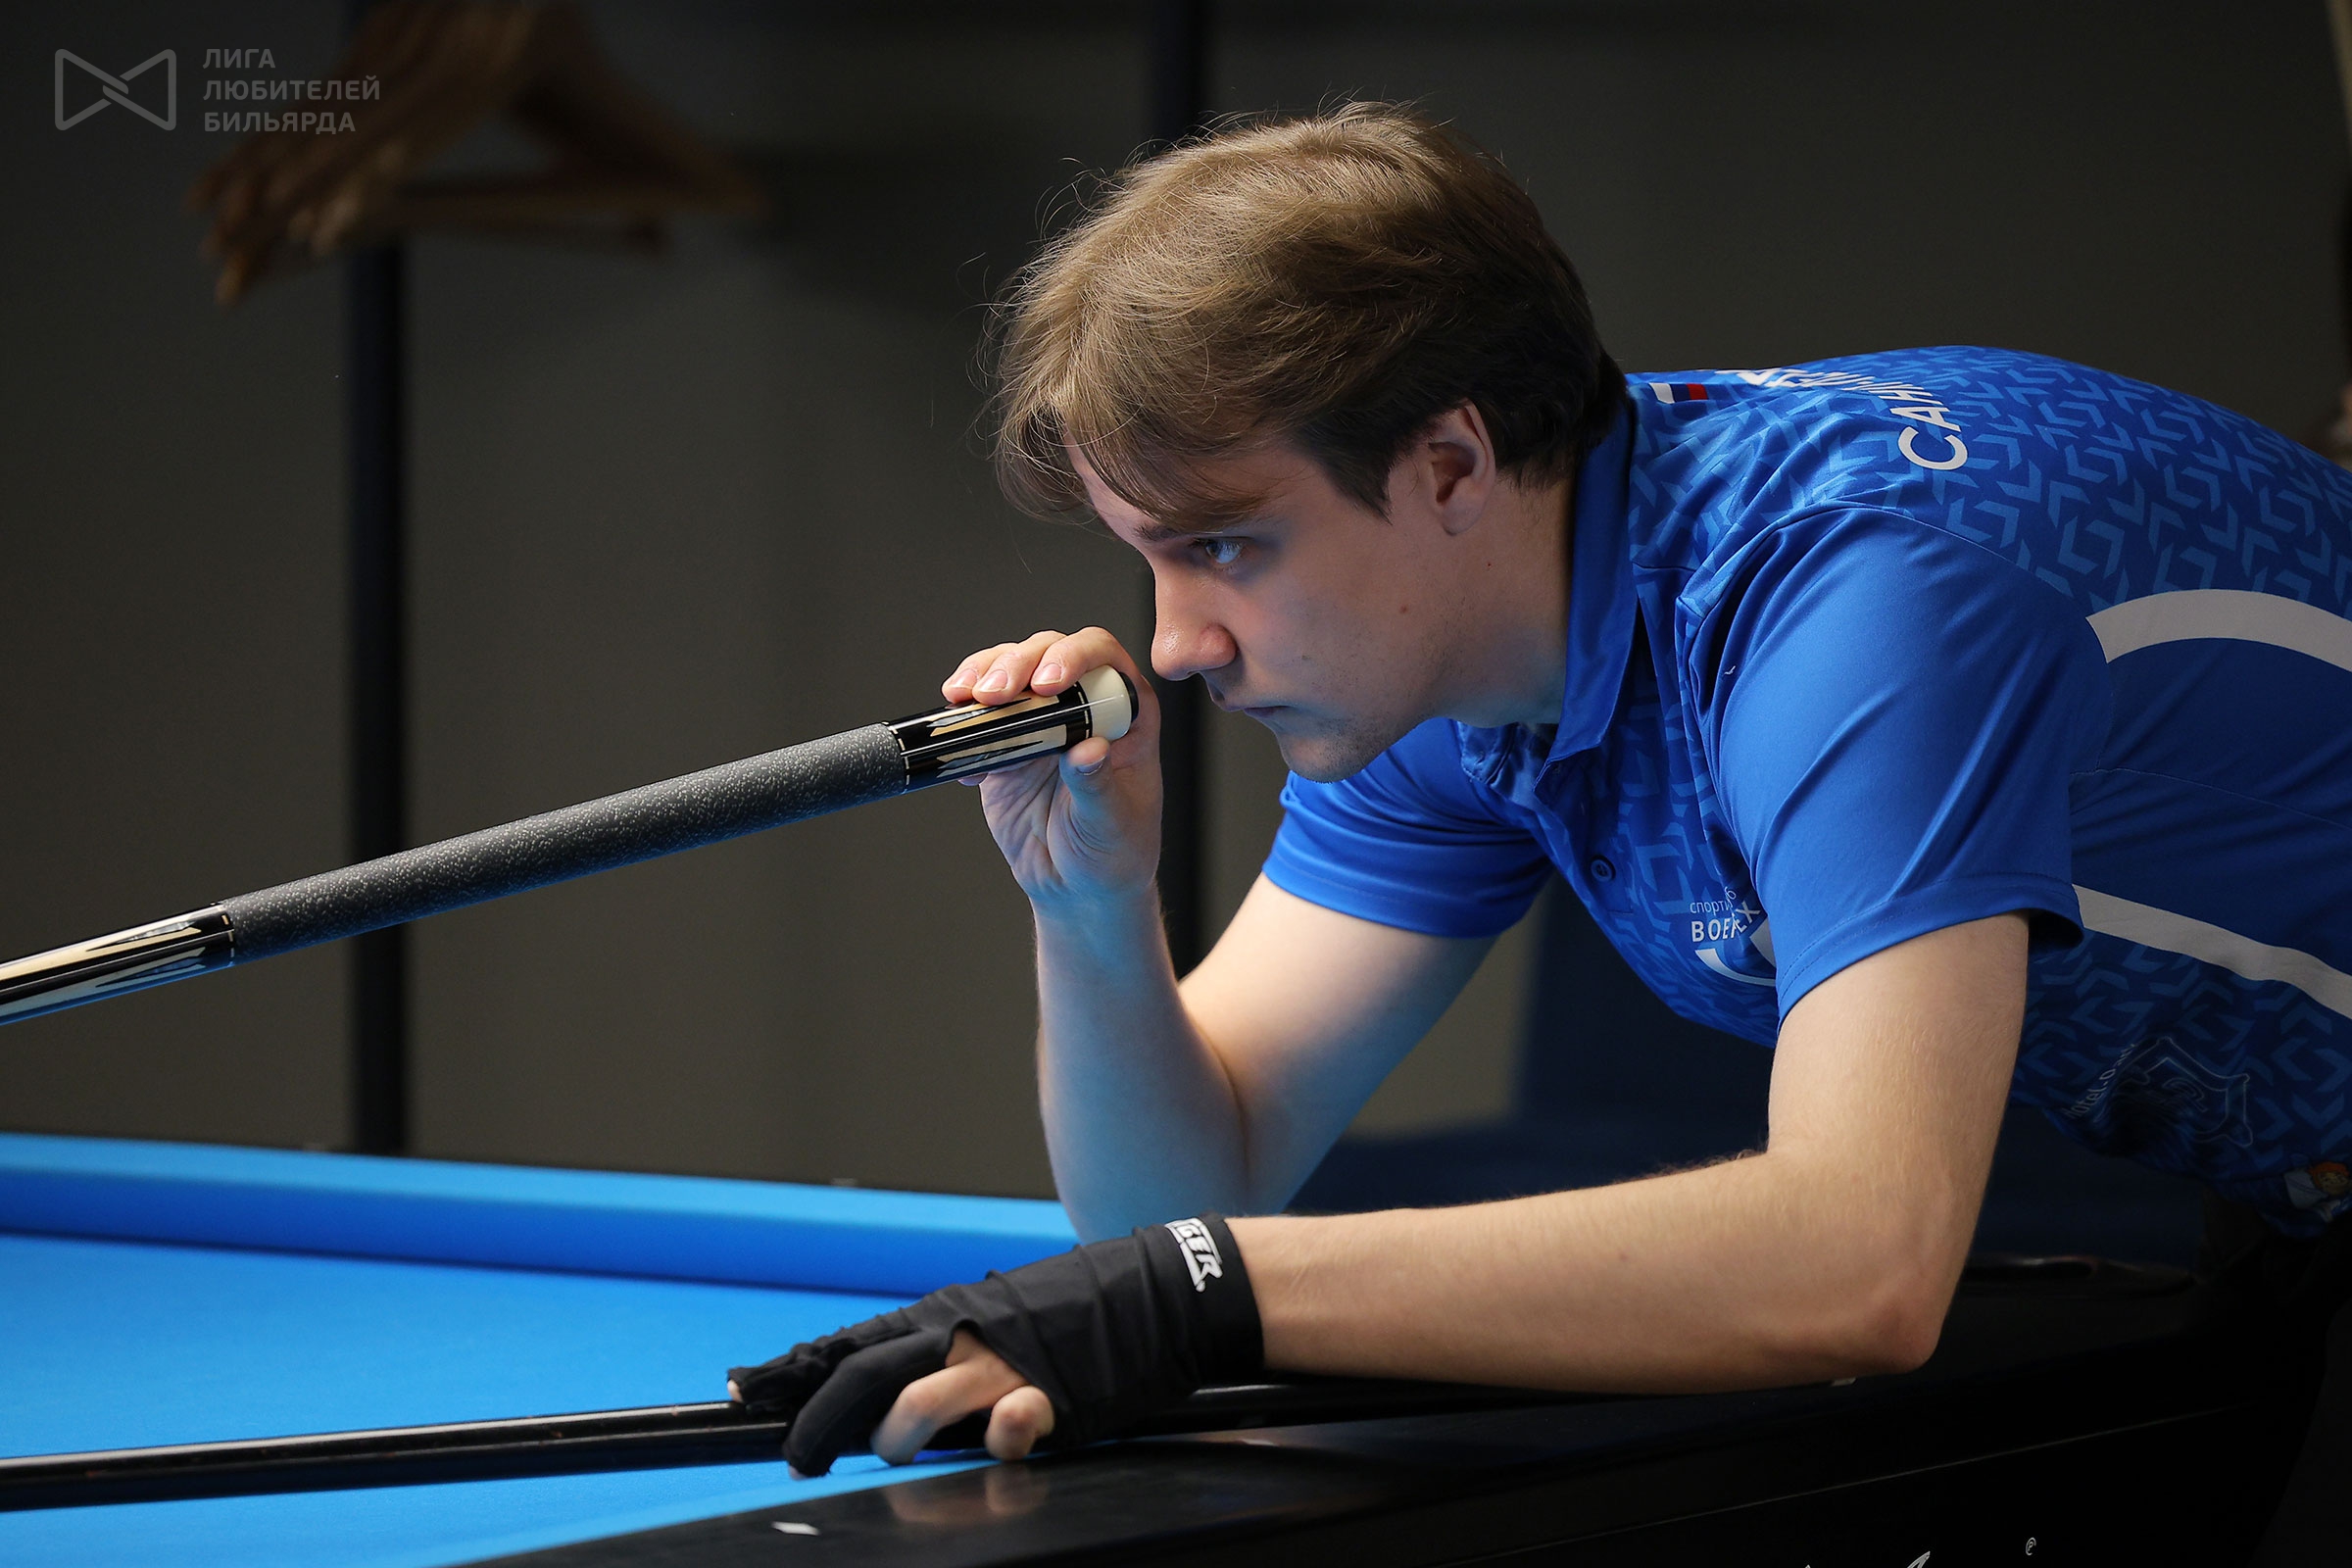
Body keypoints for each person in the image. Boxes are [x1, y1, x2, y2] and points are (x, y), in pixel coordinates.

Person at [729, 104, 2352, 1557]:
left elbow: (1861, 1258)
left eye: (1224, 547)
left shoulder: (1859, 610)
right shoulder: (1451, 668)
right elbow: (1184, 1192)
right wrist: (1093, 905)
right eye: (1149, 559)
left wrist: (1202, 1298)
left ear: (1450, 464)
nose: (1175, 645)